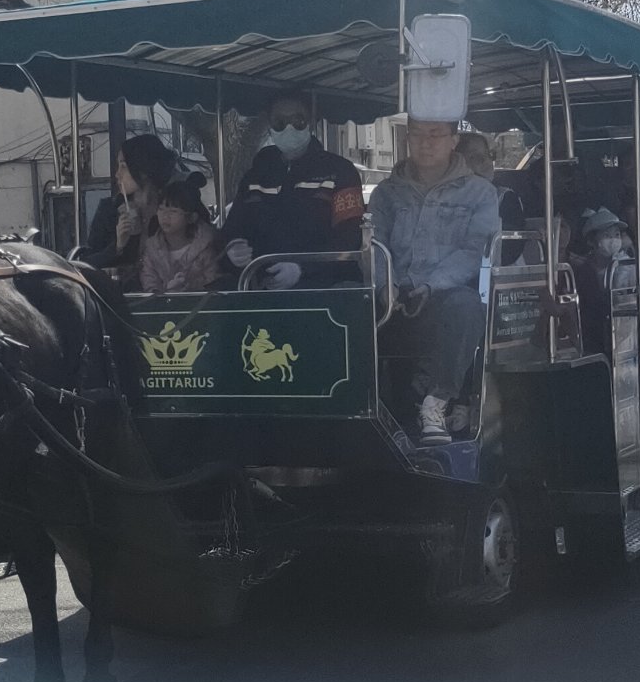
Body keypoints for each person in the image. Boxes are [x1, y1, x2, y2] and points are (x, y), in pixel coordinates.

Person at [369, 117, 504, 435]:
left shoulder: (480, 194)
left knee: (467, 306)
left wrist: (431, 284)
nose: (425, 143)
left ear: (453, 140)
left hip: (443, 297)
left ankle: (435, 402)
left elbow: (476, 251)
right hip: (390, 297)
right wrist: (382, 284)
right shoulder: (386, 193)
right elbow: (372, 244)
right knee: (344, 300)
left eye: (435, 135)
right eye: (417, 135)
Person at [222, 95, 364, 280]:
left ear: (311, 122)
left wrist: (302, 270)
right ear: (270, 125)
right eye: (280, 122)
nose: (289, 127)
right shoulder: (255, 176)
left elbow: (350, 236)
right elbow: (233, 226)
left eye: (298, 120)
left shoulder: (340, 171)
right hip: (261, 288)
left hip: (327, 289)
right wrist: (233, 246)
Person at [81, 131, 177, 282]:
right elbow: (86, 264)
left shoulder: (172, 208)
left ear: (142, 170)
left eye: (123, 166)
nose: (117, 174)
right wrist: (118, 246)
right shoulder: (109, 210)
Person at [137, 172, 224, 296]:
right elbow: (149, 286)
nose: (165, 216)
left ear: (191, 217)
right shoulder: (151, 249)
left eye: (173, 211)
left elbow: (214, 285)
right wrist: (166, 292)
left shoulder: (206, 247)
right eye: (161, 209)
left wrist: (190, 289)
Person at [571, 206, 629, 357]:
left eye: (616, 235)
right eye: (607, 235)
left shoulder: (625, 266)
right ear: (591, 241)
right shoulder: (584, 272)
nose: (613, 240)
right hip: (596, 344)